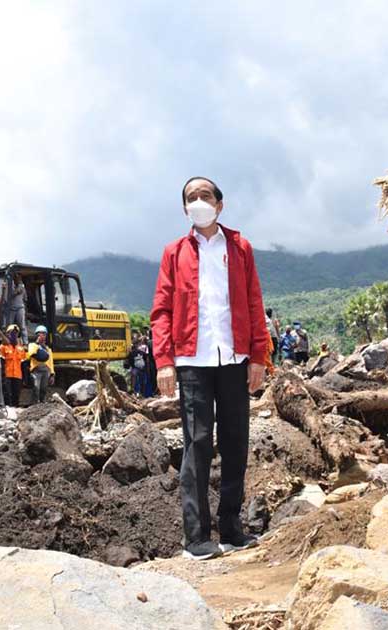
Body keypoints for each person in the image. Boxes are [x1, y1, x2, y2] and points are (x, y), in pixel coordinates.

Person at [151, 176, 267, 561]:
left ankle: (232, 529)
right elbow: (162, 310)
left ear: (220, 204)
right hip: (191, 360)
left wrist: (259, 357)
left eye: (204, 195)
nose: (197, 201)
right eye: (190, 197)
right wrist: (164, 361)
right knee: (197, 444)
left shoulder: (239, 247)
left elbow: (253, 302)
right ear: (184, 208)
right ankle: (196, 537)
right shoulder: (174, 252)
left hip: (234, 358)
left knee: (236, 442)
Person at [0, 324, 25, 407]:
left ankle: (16, 409)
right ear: (7, 334)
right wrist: (2, 375)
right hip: (7, 374)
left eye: (16, 333)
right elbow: (1, 362)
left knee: (16, 394)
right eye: (12, 332)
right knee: (7, 394)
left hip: (18, 375)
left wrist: (25, 378)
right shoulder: (3, 347)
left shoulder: (21, 348)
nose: (14, 334)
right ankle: (8, 409)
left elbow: (23, 364)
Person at [27, 325, 55, 403]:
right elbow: (32, 353)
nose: (42, 336)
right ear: (37, 335)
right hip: (36, 370)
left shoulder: (48, 349)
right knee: (36, 388)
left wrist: (52, 374)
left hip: (46, 370)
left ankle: (42, 403)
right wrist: (38, 343)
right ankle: (35, 404)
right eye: (40, 334)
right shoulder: (32, 345)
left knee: (43, 389)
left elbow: (50, 362)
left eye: (44, 334)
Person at [1, 274, 28, 344]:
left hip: (20, 307)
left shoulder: (22, 286)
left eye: (19, 278)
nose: (18, 279)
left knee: (22, 326)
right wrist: (16, 292)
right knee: (9, 326)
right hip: (11, 308)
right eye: (16, 277)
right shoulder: (9, 285)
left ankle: (25, 343)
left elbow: (25, 298)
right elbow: (7, 297)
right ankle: (8, 342)